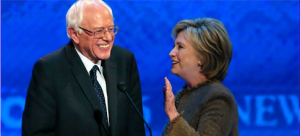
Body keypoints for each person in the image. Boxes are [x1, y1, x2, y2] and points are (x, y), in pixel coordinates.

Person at [22, 0, 145, 136]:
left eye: (111, 29)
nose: (108, 37)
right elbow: (36, 133)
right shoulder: (49, 69)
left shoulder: (124, 60)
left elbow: (135, 125)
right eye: (98, 31)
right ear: (74, 34)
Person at [162, 18, 239, 136]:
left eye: (180, 47)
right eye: (174, 46)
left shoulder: (219, 98)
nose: (171, 53)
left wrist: (173, 114)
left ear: (202, 57)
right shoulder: (180, 96)